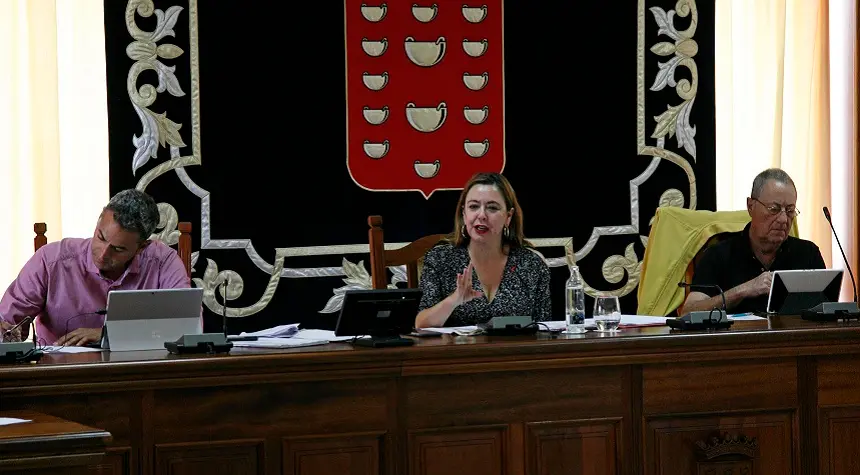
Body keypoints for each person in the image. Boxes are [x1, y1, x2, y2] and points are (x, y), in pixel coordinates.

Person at [0, 189, 191, 346]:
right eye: (101, 237)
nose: (103, 254)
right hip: (59, 377)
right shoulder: (51, 261)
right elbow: (7, 323)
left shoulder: (163, 262)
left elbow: (187, 326)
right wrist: (8, 333)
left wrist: (108, 335)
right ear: (98, 222)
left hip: (138, 377)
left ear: (142, 247)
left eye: (118, 249)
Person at [680, 168, 826, 315]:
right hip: (739, 337)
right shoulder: (718, 255)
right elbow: (689, 312)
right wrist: (743, 290)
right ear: (750, 206)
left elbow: (827, 313)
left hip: (793, 337)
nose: (783, 220)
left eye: (790, 211)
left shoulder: (808, 254)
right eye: (774, 209)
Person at [415, 172, 552, 327]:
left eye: (492, 208)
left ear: (508, 216)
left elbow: (544, 328)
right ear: (464, 213)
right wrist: (454, 300)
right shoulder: (440, 259)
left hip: (515, 350)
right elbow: (421, 325)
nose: (482, 215)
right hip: (458, 350)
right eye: (473, 207)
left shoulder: (531, 264)